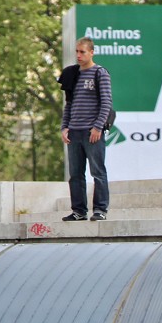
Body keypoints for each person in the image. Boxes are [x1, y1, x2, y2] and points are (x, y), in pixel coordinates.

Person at [60, 37, 113, 222]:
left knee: (98, 172)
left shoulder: (100, 73)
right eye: (77, 51)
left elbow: (106, 102)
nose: (79, 55)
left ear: (91, 52)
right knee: (75, 174)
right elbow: (69, 104)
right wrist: (64, 127)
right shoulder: (72, 74)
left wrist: (98, 127)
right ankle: (79, 211)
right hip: (74, 131)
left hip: (92, 132)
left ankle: (100, 209)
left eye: (82, 52)